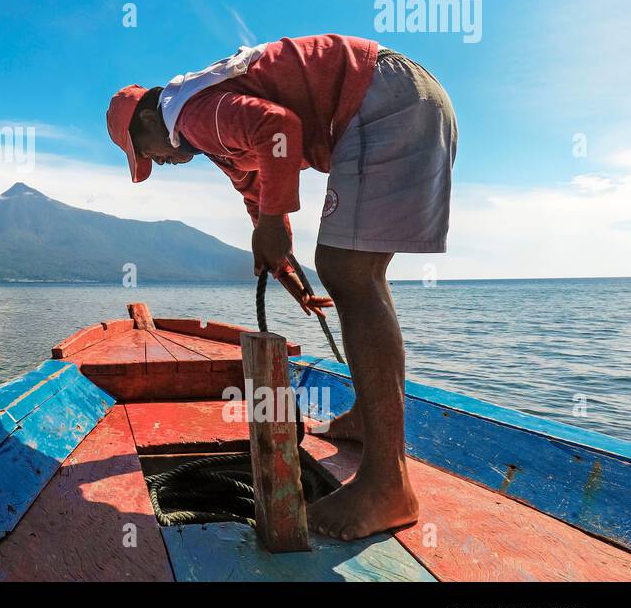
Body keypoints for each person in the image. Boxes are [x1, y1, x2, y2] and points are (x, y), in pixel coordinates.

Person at [106, 34, 457, 540]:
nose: (155, 163)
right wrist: (284, 266)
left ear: (146, 121)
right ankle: (365, 418)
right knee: (352, 272)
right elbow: (260, 195)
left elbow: (280, 128)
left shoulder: (191, 114)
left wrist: (273, 222)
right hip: (407, 95)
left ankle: (387, 484)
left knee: (350, 272)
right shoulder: (210, 121)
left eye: (145, 154)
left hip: (382, 98)